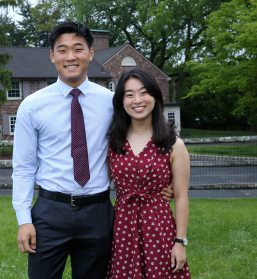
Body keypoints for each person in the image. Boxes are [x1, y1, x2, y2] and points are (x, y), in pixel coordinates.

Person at [12, 22, 173, 279]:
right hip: (50, 211)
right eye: (62, 50)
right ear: (52, 56)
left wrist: (166, 181)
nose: (71, 57)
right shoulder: (31, 106)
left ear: (90, 53)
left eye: (78, 48)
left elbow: (145, 137)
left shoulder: (112, 103)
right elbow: (23, 168)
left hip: (99, 212)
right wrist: (24, 219)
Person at [106, 68, 191, 279]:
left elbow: (181, 196)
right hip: (122, 229)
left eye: (144, 92)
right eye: (129, 94)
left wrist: (180, 242)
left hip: (159, 227)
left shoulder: (173, 145)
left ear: (155, 96)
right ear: (121, 101)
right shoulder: (112, 143)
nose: (138, 100)